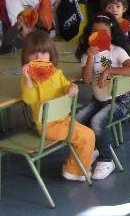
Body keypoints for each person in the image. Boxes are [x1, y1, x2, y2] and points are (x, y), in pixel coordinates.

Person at [20, 30, 96, 181]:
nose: (38, 58)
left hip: (64, 120)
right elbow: (29, 100)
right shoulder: (29, 79)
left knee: (89, 134)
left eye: (43, 53)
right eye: (33, 54)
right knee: (86, 137)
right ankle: (73, 170)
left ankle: (75, 167)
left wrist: (72, 87)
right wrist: (27, 79)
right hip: (47, 126)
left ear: (51, 54)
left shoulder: (56, 72)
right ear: (26, 57)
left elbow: (66, 85)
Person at [74, 13, 130, 180]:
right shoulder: (88, 55)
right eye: (94, 31)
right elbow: (87, 80)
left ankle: (106, 159)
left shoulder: (116, 51)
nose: (98, 35)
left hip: (120, 100)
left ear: (112, 34)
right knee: (77, 120)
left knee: (97, 121)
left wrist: (108, 70)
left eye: (104, 32)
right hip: (98, 100)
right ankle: (93, 149)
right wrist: (90, 58)